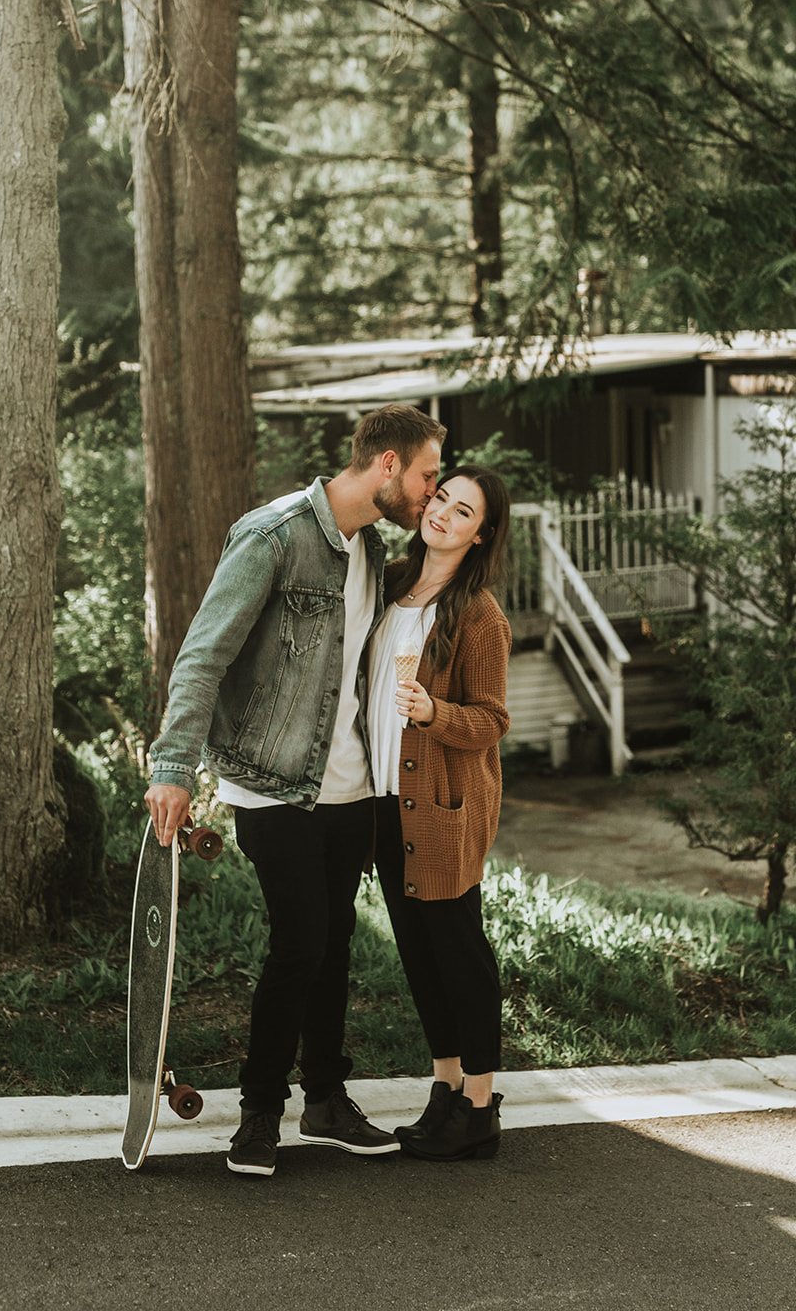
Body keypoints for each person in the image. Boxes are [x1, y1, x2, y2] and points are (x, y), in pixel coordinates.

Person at [144, 403, 446, 1178]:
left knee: (334, 943)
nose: (428, 492)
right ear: (385, 465)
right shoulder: (272, 535)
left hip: (349, 784)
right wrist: (173, 769)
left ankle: (325, 1102)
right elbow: (202, 656)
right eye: (424, 475)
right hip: (269, 780)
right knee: (299, 942)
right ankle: (257, 1114)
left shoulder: (373, 552)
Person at [367, 462, 512, 1161]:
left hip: (445, 806)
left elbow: (490, 721)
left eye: (463, 513)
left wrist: (434, 712)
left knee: (459, 954)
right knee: (420, 956)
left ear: (480, 535)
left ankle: (479, 1107)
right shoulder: (391, 584)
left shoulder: (479, 615)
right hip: (382, 802)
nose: (443, 516)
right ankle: (445, 1089)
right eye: (442, 499)